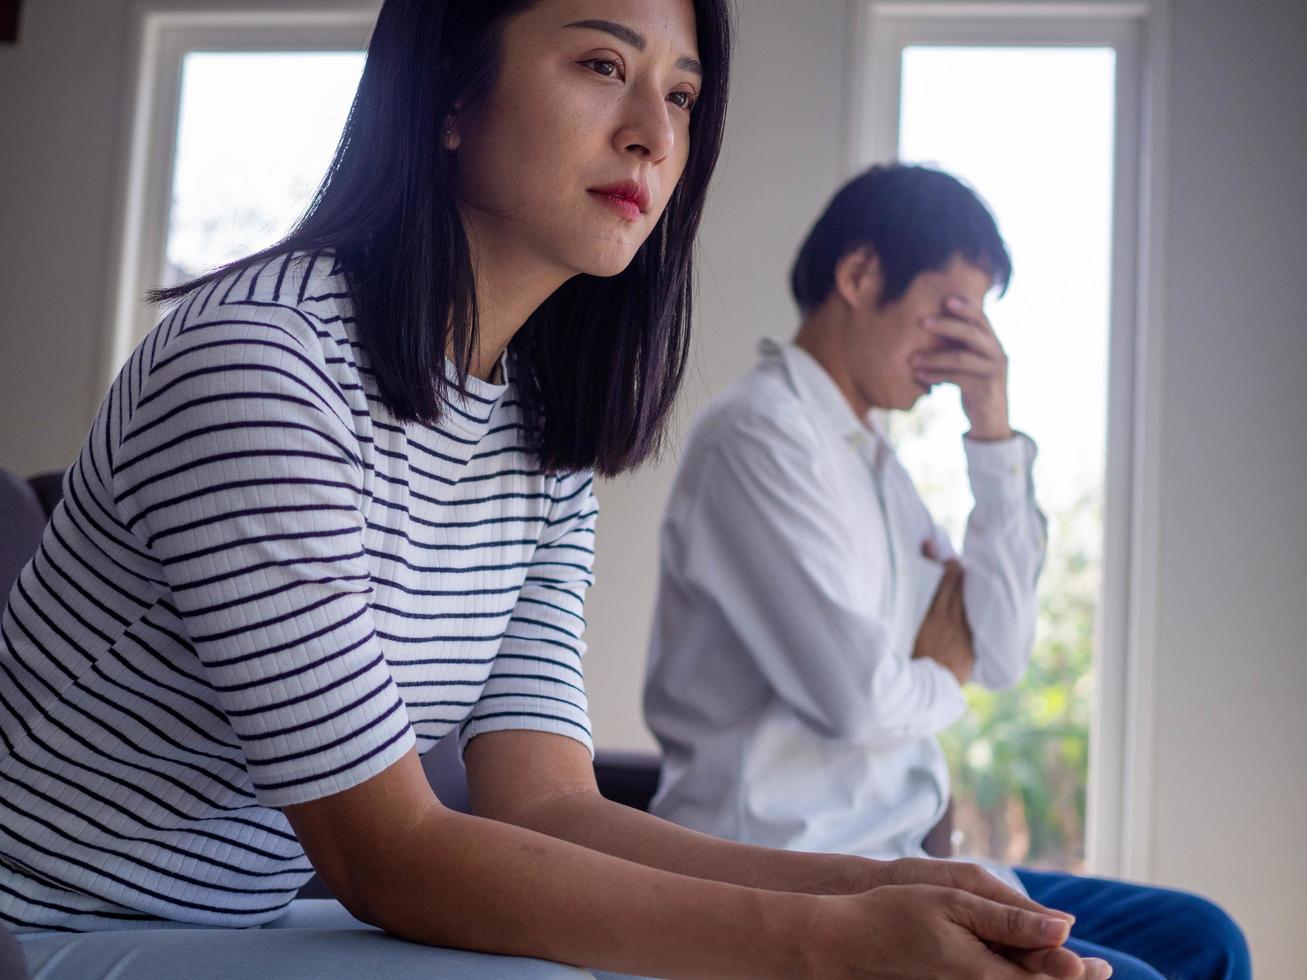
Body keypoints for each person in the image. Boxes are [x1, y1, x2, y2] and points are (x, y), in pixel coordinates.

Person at [0, 2, 1111, 977]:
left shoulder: (536, 429)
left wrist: (876, 893)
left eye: (680, 94)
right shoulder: (260, 365)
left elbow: (545, 804)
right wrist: (829, 948)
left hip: (245, 921)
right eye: (598, 66)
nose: (653, 132)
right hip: (42, 922)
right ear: (447, 92)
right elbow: (384, 854)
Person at [643, 163, 1252, 980]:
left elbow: (997, 650)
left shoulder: (876, 469)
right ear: (858, 276)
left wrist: (991, 433)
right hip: (794, 866)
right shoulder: (759, 436)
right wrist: (937, 670)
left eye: (975, 323)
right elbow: (859, 704)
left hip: (895, 853)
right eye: (944, 314)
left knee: (1205, 938)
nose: (958, 350)